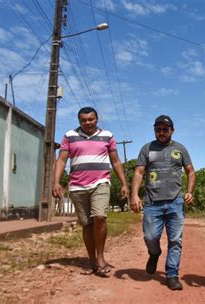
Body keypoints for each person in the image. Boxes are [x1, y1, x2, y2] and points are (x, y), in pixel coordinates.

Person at [52, 107, 127, 276]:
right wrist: (56, 182)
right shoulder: (69, 136)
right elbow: (61, 160)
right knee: (87, 224)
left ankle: (100, 258)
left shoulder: (107, 136)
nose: (87, 123)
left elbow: (115, 161)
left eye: (91, 119)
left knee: (99, 217)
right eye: (84, 120)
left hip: (100, 182)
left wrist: (124, 183)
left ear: (96, 119)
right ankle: (92, 260)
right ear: (79, 121)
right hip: (77, 186)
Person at [130, 115, 195, 291]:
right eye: (158, 129)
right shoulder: (147, 148)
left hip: (176, 201)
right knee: (150, 237)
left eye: (165, 129)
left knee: (175, 240)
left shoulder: (180, 148)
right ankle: (154, 253)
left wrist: (189, 191)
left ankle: (172, 275)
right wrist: (134, 195)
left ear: (172, 130)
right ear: (154, 131)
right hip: (152, 203)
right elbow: (138, 172)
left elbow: (190, 171)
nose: (161, 132)